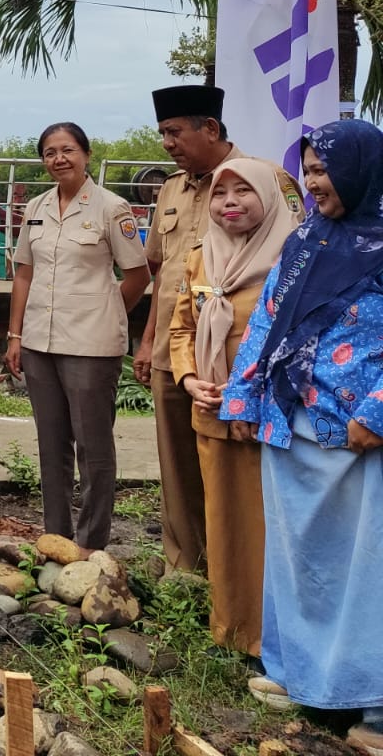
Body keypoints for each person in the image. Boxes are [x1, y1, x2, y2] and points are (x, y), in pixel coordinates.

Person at [219, 120, 383, 753]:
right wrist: (244, 394)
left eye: (325, 170)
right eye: (309, 171)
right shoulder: (307, 239)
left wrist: (378, 409)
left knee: (365, 567)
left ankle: (375, 703)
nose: (315, 182)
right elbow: (268, 322)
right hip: (294, 423)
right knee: (301, 559)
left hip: (361, 434)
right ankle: (302, 676)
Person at [136, 84, 300, 571]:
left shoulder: (265, 180)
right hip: (176, 352)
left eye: (175, 131)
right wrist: (147, 343)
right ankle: (185, 569)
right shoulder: (169, 188)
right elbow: (162, 275)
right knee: (178, 467)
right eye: (163, 132)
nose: (167, 142)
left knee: (239, 473)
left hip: (240, 363)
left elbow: (292, 266)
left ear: (210, 128)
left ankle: (243, 572)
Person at [169, 160, 298, 656]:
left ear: (268, 197)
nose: (230, 202)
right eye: (221, 193)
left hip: (265, 418)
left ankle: (275, 641)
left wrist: (254, 396)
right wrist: (189, 378)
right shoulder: (202, 258)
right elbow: (182, 327)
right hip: (212, 411)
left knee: (268, 528)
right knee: (223, 524)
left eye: (244, 191)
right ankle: (231, 630)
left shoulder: (294, 259)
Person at [3, 122, 149, 549]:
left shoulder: (111, 208)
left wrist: (107, 311)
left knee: (93, 447)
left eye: (67, 150)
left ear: (86, 154)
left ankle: (91, 542)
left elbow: (138, 275)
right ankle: (56, 536)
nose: (58, 159)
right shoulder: (36, 208)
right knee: (51, 444)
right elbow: (24, 273)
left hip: (91, 344)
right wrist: (15, 336)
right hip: (39, 343)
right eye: (49, 152)